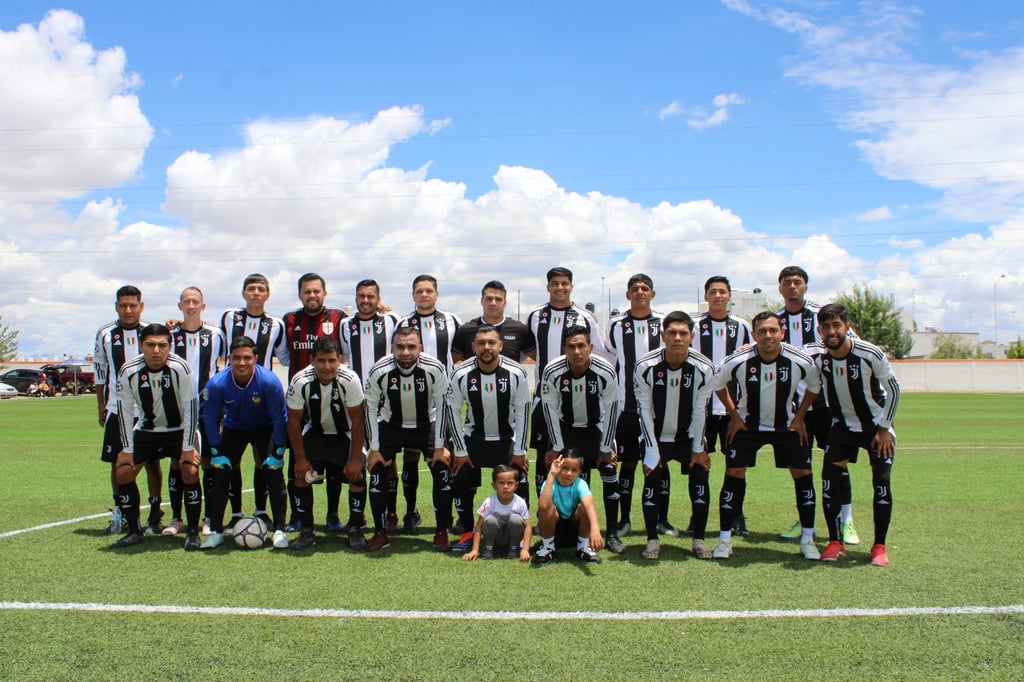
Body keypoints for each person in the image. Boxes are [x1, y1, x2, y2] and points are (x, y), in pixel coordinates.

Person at [711, 311, 822, 561]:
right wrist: (734, 415)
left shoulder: (799, 360)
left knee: (803, 476)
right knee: (733, 476)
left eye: (773, 330)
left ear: (782, 332)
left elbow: (814, 386)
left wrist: (800, 416)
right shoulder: (739, 359)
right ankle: (725, 540)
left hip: (787, 427)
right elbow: (717, 383)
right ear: (754, 335)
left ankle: (807, 539)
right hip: (748, 427)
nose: (768, 336)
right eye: (762, 331)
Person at [812, 304, 901, 566]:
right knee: (829, 477)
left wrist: (885, 428)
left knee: (881, 480)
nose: (831, 331)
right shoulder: (819, 358)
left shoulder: (869, 353)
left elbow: (894, 389)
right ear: (820, 330)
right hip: (842, 428)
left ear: (847, 327)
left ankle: (879, 546)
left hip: (876, 428)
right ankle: (835, 542)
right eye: (826, 327)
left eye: (836, 325)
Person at [776, 266, 859, 543]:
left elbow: (853, 347)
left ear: (805, 287)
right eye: (786, 283)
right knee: (800, 468)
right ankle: (805, 519)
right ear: (780, 289)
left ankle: (847, 521)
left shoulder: (824, 316)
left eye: (797, 282)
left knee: (839, 464)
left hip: (826, 407)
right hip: (793, 409)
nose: (792, 287)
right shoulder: (775, 322)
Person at [110, 324, 201, 550]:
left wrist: (188, 446)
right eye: (150, 345)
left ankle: (191, 532)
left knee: (189, 470)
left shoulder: (181, 368)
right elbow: (125, 410)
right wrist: (127, 449)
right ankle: (134, 531)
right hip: (147, 430)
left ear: (170, 346)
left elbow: (191, 407)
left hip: (179, 430)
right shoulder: (128, 370)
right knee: (123, 472)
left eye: (162, 345)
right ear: (141, 346)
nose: (156, 350)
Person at [634, 311, 716, 560]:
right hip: (656, 437)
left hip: (687, 437)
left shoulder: (704, 367)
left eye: (683, 333)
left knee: (700, 477)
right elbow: (644, 410)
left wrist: (699, 448)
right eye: (672, 333)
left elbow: (702, 410)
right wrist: (651, 450)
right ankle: (651, 540)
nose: (677, 338)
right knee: (652, 480)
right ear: (663, 336)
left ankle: (699, 540)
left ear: (692, 336)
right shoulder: (646, 366)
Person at [442, 325, 530, 552]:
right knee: (460, 479)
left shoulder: (516, 372)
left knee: (521, 480)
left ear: (500, 345)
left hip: (506, 439)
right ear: (473, 347)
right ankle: (468, 532)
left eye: (491, 343)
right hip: (475, 438)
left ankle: (517, 536)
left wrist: (519, 450)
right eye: (481, 343)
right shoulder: (461, 373)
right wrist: (460, 451)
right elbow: (451, 410)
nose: (486, 347)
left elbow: (522, 412)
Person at [526, 266, 611, 502]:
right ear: (548, 287)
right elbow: (531, 350)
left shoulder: (586, 317)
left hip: (580, 398)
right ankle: (545, 518)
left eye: (565, 283)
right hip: (545, 400)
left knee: (579, 459)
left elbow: (601, 354)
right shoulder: (535, 316)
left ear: (571, 286)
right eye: (555, 283)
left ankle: (577, 516)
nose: (560, 287)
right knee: (545, 457)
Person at [363, 326, 451, 552]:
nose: (405, 352)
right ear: (392, 347)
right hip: (391, 424)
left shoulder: (434, 368)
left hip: (426, 424)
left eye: (411, 347)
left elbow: (443, 407)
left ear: (420, 348)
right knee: (378, 470)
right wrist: (373, 449)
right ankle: (380, 532)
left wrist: (440, 447)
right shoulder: (379, 370)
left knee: (442, 469)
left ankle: (441, 532)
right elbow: (370, 409)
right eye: (400, 347)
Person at [200, 336, 289, 550]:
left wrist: (277, 451)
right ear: (229, 358)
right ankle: (216, 531)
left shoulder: (269, 381)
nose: (241, 363)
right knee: (220, 473)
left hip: (265, 428)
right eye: (236, 358)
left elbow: (280, 418)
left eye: (247, 358)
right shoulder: (217, 383)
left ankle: (279, 530)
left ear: (256, 359)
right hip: (234, 429)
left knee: (273, 473)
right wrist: (215, 450)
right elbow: (210, 418)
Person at [538, 325, 620, 553]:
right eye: (571, 346)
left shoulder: (605, 370)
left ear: (590, 347)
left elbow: (613, 408)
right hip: (565, 430)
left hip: (595, 428)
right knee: (554, 473)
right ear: (564, 348)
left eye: (581, 346)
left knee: (609, 471)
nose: (576, 351)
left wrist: (606, 446)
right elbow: (550, 408)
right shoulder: (552, 370)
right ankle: (550, 535)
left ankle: (612, 533)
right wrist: (556, 445)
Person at [219, 273, 289, 532]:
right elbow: (217, 342)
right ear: (243, 293)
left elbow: (285, 357)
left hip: (263, 402)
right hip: (233, 399)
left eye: (261, 289)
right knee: (231, 461)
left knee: (263, 460)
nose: (256, 293)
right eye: (251, 288)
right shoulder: (229, 317)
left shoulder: (276, 325)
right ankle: (236, 514)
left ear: (268, 294)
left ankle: (262, 511)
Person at [282, 273, 349, 534]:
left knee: (333, 462)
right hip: (301, 399)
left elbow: (345, 353)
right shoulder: (289, 320)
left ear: (325, 293)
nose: (312, 296)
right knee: (296, 463)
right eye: (307, 292)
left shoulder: (339, 319)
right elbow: (285, 357)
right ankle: (298, 516)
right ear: (300, 294)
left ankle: (332, 515)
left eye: (316, 291)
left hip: (332, 398)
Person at [94, 285, 164, 535]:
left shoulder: (151, 333)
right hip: (117, 409)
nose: (128, 310)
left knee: (152, 463)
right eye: (123, 305)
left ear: (141, 306)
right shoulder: (105, 333)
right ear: (116, 306)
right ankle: (121, 514)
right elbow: (101, 370)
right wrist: (101, 404)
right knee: (117, 463)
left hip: (148, 411)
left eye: (133, 305)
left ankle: (155, 514)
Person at [286, 337, 366, 551]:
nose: (327, 366)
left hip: (345, 435)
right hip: (316, 434)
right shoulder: (300, 380)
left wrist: (356, 459)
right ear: (312, 360)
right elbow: (293, 422)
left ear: (339, 359)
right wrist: (301, 459)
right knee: (301, 476)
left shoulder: (350, 379)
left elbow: (358, 421)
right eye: (321, 361)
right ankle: (307, 531)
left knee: (358, 476)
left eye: (332, 360)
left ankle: (355, 529)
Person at [341, 279, 404, 532]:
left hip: (388, 400)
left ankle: (391, 513)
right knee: (356, 455)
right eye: (361, 296)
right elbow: (344, 357)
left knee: (387, 460)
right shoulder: (346, 325)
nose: (365, 301)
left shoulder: (391, 321)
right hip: (357, 401)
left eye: (370, 296)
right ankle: (358, 517)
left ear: (379, 299)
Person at [165, 287, 225, 538]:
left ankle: (209, 517)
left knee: (209, 462)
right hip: (177, 408)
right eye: (186, 302)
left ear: (203, 305)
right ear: (179, 306)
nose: (191, 305)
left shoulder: (216, 334)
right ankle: (177, 518)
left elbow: (227, 365)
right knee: (178, 461)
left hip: (207, 408)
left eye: (195, 301)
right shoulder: (170, 334)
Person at [695, 276, 753, 537]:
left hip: (734, 410)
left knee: (736, 466)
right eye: (713, 292)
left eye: (722, 291)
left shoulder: (742, 326)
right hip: (702, 409)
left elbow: (753, 356)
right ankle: (697, 519)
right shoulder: (694, 326)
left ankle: (736, 516)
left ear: (729, 295)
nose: (717, 296)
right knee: (699, 465)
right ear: (706, 296)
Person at [607, 273, 663, 540]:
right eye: (635, 289)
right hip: (626, 409)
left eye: (645, 289)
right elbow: (609, 358)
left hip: (657, 409)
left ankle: (662, 520)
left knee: (659, 463)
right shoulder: (616, 324)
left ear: (652, 293)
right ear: (628, 294)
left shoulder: (663, 323)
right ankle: (624, 519)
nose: (640, 292)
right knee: (627, 464)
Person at [533, 450, 604, 565]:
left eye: (574, 470)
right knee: (547, 510)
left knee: (583, 506)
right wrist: (551, 475)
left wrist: (595, 529)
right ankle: (548, 548)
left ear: (580, 472)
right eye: (564, 468)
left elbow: (589, 505)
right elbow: (543, 506)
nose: (568, 473)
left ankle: (582, 548)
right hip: (554, 531)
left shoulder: (580, 484)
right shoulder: (550, 483)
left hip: (575, 532)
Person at [451, 280, 535, 363]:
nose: (493, 303)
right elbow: (449, 362)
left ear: (505, 303)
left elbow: (540, 358)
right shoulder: (465, 331)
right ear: (482, 301)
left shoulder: (520, 330)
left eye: (498, 299)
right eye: (489, 299)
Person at [461, 465, 532, 561]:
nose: (506, 486)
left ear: (516, 485)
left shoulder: (520, 502)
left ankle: (514, 548)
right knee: (490, 520)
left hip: (510, 538)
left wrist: (525, 549)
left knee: (516, 519)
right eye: (501, 483)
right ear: (494, 485)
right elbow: (479, 527)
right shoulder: (489, 502)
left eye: (510, 483)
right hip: (495, 539)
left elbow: (528, 526)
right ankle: (488, 548)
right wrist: (474, 550)